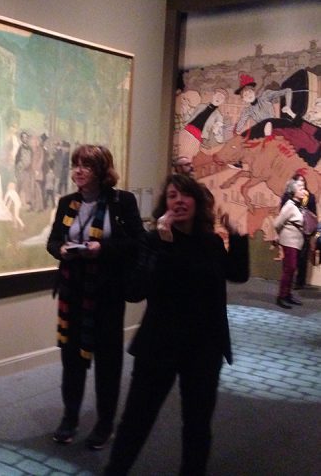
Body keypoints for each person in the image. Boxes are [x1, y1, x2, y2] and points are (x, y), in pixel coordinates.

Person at [104, 174, 249, 475]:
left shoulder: (210, 242)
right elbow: (134, 290)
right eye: (172, 196)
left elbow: (238, 273)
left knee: (197, 423)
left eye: (186, 195)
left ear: (197, 202)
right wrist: (164, 245)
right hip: (159, 345)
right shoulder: (153, 241)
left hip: (204, 348)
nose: (179, 201)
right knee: (136, 420)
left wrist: (236, 236)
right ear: (165, 204)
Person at [47, 144, 144, 450]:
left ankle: (104, 424)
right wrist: (62, 249)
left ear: (101, 170)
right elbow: (53, 240)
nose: (78, 170)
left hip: (106, 295)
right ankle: (70, 418)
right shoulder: (68, 203)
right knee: (72, 361)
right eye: (76, 164)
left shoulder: (121, 201)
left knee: (107, 364)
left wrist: (103, 249)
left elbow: (138, 242)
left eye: (86, 165)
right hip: (72, 294)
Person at [279, 174, 318, 289]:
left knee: (302, 258)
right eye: (298, 183)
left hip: (304, 232)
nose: (301, 185)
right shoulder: (288, 198)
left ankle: (300, 282)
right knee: (289, 262)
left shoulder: (310, 197)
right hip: (290, 233)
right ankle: (287, 285)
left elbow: (313, 215)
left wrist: (312, 231)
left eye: (303, 183)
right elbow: (281, 216)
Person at [274, 179, 307, 308]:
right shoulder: (289, 205)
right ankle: (281, 296)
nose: (304, 191)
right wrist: (279, 236)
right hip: (289, 241)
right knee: (289, 268)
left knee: (292, 269)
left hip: (297, 242)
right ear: (293, 192)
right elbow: (277, 223)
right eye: (300, 189)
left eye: (303, 188)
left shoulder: (299, 205)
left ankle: (287, 294)